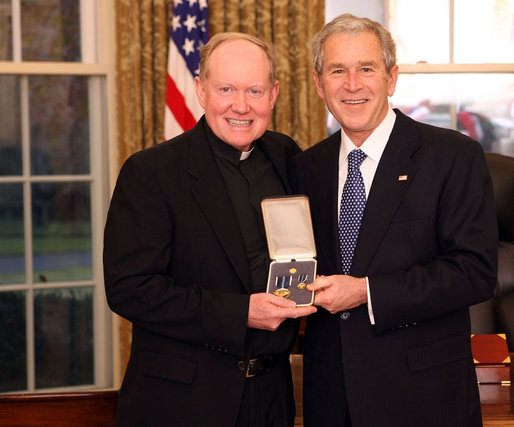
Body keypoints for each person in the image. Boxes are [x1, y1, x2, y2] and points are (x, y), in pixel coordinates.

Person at [290, 14, 498, 427]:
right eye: (337, 71)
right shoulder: (304, 168)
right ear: (318, 83)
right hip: (331, 399)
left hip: (424, 399)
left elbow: (475, 273)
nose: (352, 84)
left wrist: (367, 292)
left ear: (391, 77)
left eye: (366, 68)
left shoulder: (452, 156)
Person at [103, 32, 316, 427]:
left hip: (272, 398)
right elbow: (129, 290)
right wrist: (242, 313)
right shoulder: (151, 172)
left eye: (254, 90)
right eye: (226, 88)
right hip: (182, 404)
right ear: (201, 91)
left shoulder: (288, 157)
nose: (241, 105)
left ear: (274, 94)